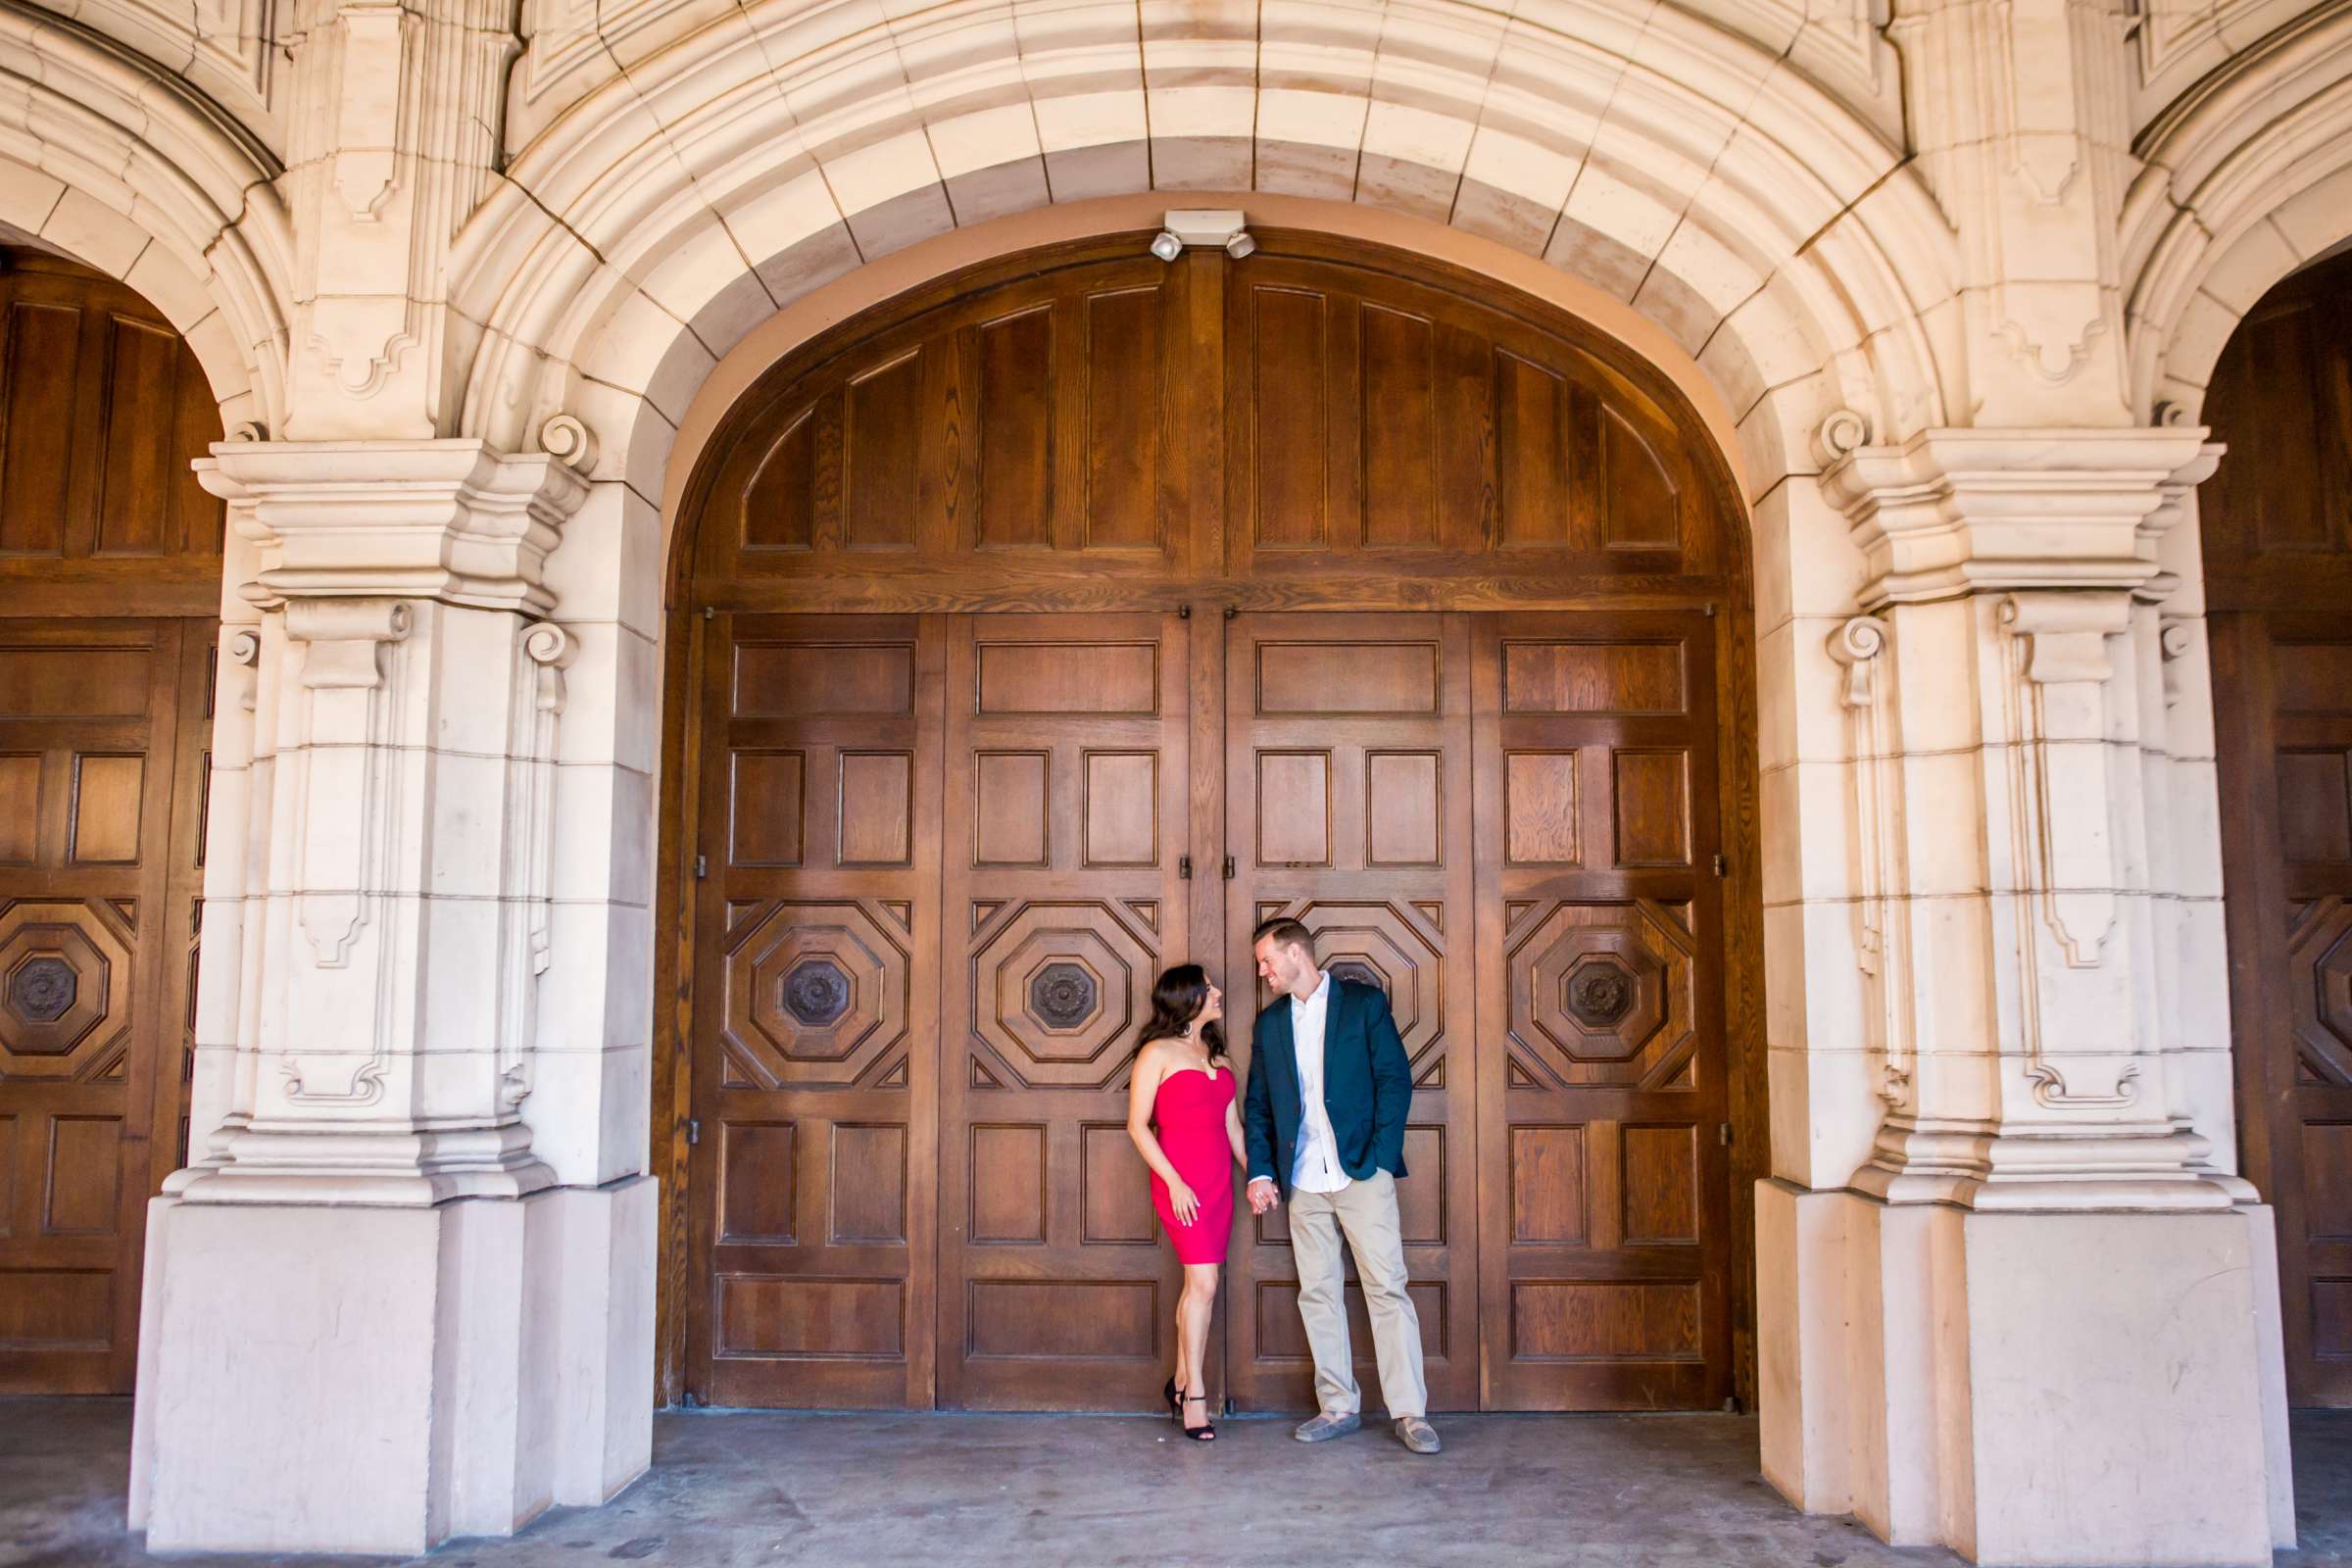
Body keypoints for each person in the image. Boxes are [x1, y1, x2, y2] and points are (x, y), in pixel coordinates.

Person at [1243, 917, 1441, 1454]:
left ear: (1296, 955)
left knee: (1386, 1288)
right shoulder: (1270, 1025)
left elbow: (1394, 1081)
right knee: (1318, 1293)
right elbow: (1258, 1104)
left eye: (1266, 960)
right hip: (1303, 1179)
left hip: (1361, 1171)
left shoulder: (1362, 1004)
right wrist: (1261, 1170)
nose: (1262, 972)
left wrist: (1379, 1158)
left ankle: (1410, 1413)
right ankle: (1337, 1406)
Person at [1125, 963, 1244, 1442]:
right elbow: (1138, 1126)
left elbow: (1233, 1127)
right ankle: (1195, 1394)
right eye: (1209, 987)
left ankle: (1178, 1382)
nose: (1218, 991)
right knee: (1205, 1282)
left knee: (1200, 1287)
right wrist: (1174, 1182)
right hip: (1181, 1183)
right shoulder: (1157, 1053)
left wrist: (1257, 1176)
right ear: (1187, 998)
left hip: (1218, 1183)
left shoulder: (1221, 1057)